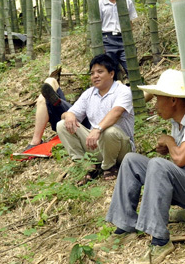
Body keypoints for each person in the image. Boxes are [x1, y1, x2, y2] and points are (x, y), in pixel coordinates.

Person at [97, 69, 185, 264]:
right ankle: (125, 225)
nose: (154, 105)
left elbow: (180, 158)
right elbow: (182, 156)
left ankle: (160, 241)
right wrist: (170, 146)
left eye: (157, 99)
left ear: (173, 100)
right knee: (131, 160)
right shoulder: (177, 122)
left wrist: (171, 143)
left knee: (157, 164)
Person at [57, 54, 135, 183]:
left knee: (108, 131)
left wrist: (98, 129)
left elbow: (116, 112)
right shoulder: (89, 93)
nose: (95, 76)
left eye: (100, 72)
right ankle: (87, 166)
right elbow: (69, 114)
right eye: (92, 73)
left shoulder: (123, 91)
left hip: (121, 149)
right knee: (62, 125)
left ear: (111, 74)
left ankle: (109, 167)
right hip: (97, 146)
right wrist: (69, 115)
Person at [25, 75, 90, 151]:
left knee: (45, 100)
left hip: (84, 126)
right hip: (73, 116)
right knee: (50, 80)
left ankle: (35, 141)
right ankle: (55, 102)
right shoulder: (90, 92)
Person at [98, 0, 138, 78]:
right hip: (108, 39)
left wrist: (130, 40)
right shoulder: (100, 4)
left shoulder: (126, 1)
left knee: (132, 69)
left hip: (124, 38)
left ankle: (137, 92)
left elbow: (130, 23)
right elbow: (98, 25)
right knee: (111, 72)